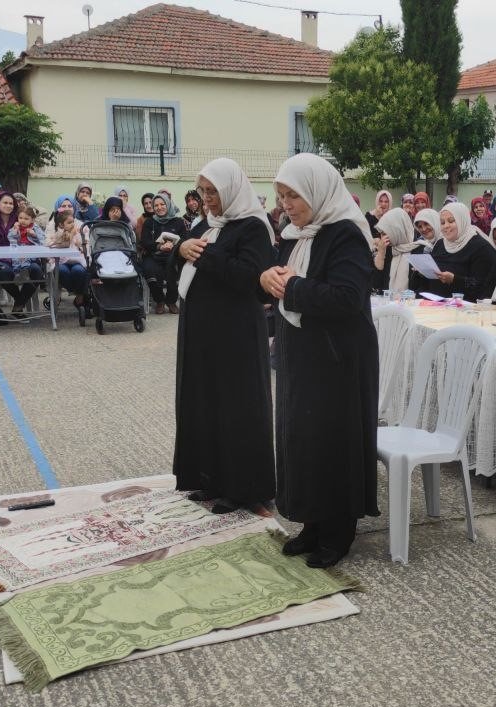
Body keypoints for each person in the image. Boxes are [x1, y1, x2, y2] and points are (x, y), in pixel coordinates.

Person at [259, 152, 379, 568]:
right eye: (281, 195)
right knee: (301, 438)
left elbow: (347, 299)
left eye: (293, 195)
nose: (286, 204)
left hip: (338, 359)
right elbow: (281, 278)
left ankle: (338, 531)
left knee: (332, 440)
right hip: (300, 353)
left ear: (317, 191)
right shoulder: (296, 233)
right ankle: (311, 522)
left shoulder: (346, 234)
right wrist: (267, 279)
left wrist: (290, 287)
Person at [171, 157, 276, 516]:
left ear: (231, 189)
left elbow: (251, 277)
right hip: (201, 330)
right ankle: (210, 478)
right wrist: (182, 249)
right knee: (204, 402)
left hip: (236, 333)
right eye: (203, 191)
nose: (207, 198)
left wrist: (203, 254)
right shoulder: (207, 224)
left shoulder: (253, 228)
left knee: (236, 406)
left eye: (213, 191)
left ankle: (242, 488)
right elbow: (187, 254)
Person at [413, 202, 496, 301]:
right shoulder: (440, 244)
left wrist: (454, 279)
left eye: (451, 221)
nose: (446, 226)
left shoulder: (482, 248)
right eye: (442, 222)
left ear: (462, 220)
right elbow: (433, 279)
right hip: (436, 307)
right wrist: (424, 273)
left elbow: (483, 285)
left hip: (466, 310)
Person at [140, 191, 186, 314]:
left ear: (168, 204)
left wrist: (174, 245)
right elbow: (144, 242)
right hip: (154, 255)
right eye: (156, 206)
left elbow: (185, 239)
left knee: (174, 268)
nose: (159, 208)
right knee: (149, 270)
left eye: (162, 204)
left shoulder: (178, 222)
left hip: (173, 255)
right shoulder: (149, 222)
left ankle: (171, 301)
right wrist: (159, 246)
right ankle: (159, 301)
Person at [1, 205, 47, 315]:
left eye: (26, 219)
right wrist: (15, 231)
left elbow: (43, 241)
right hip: (18, 251)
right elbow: (10, 238)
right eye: (21, 218)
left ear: (32, 219)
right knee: (16, 260)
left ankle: (24, 273)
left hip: (32, 253)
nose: (23, 221)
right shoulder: (16, 227)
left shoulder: (35, 228)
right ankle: (18, 274)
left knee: (28, 261)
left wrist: (34, 235)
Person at [373, 207, 426, 295]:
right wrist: (381, 254)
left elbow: (423, 287)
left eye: (386, 233)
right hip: (388, 304)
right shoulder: (388, 249)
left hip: (411, 305)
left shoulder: (419, 249)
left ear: (398, 230)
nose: (383, 238)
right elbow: (376, 284)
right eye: (382, 234)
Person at [45, 209, 88, 308]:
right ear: (61, 225)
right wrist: (71, 235)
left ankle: (79, 296)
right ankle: (78, 293)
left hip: (75, 260)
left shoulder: (77, 232)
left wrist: (80, 246)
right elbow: (61, 244)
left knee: (79, 271)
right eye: (69, 223)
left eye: (73, 222)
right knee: (61, 271)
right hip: (62, 261)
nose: (72, 224)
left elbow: (80, 245)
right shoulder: (59, 233)